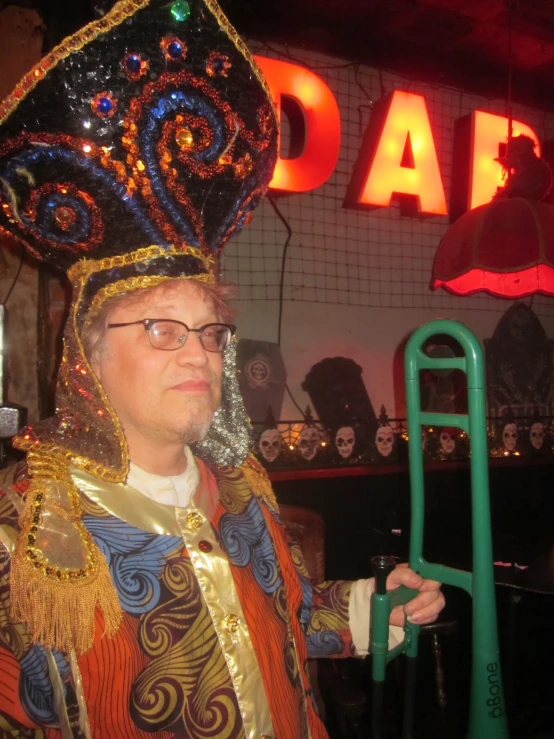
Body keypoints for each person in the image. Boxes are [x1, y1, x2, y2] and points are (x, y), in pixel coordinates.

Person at [0, 1, 444, 736]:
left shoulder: (240, 485)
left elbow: (288, 617)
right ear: (88, 351)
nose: (199, 351)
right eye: (161, 328)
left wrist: (375, 602)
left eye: (210, 331)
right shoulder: (22, 524)